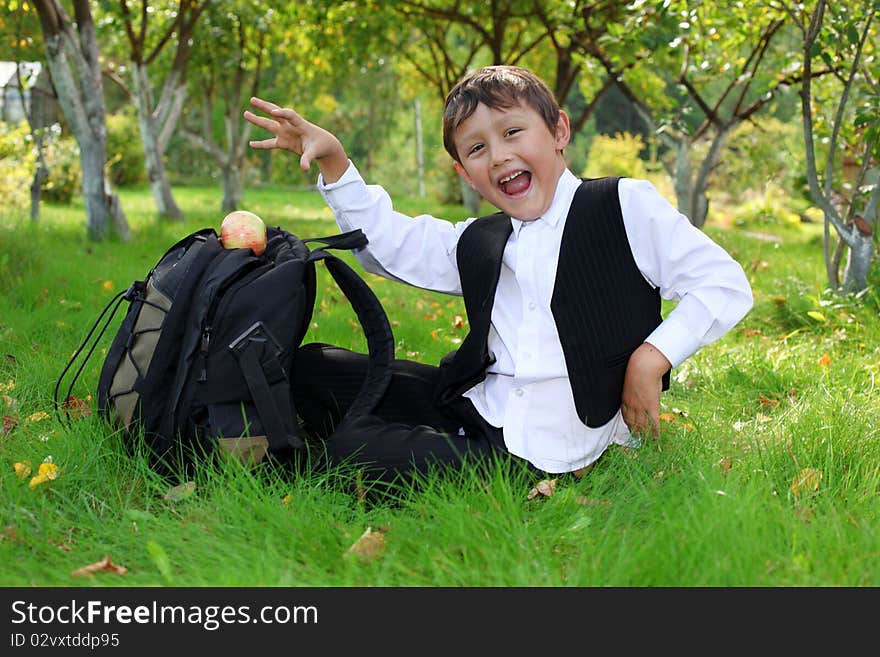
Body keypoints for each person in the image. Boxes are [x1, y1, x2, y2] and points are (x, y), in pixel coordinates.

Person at [243, 65, 753, 486]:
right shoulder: (484, 238)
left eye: (512, 132)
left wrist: (649, 360)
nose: (500, 155)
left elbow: (722, 283)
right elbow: (392, 245)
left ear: (558, 131)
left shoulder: (620, 205)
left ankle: (331, 457)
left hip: (551, 446)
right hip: (479, 407)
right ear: (466, 173)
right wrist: (335, 162)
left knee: (357, 448)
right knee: (314, 367)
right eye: (477, 149)